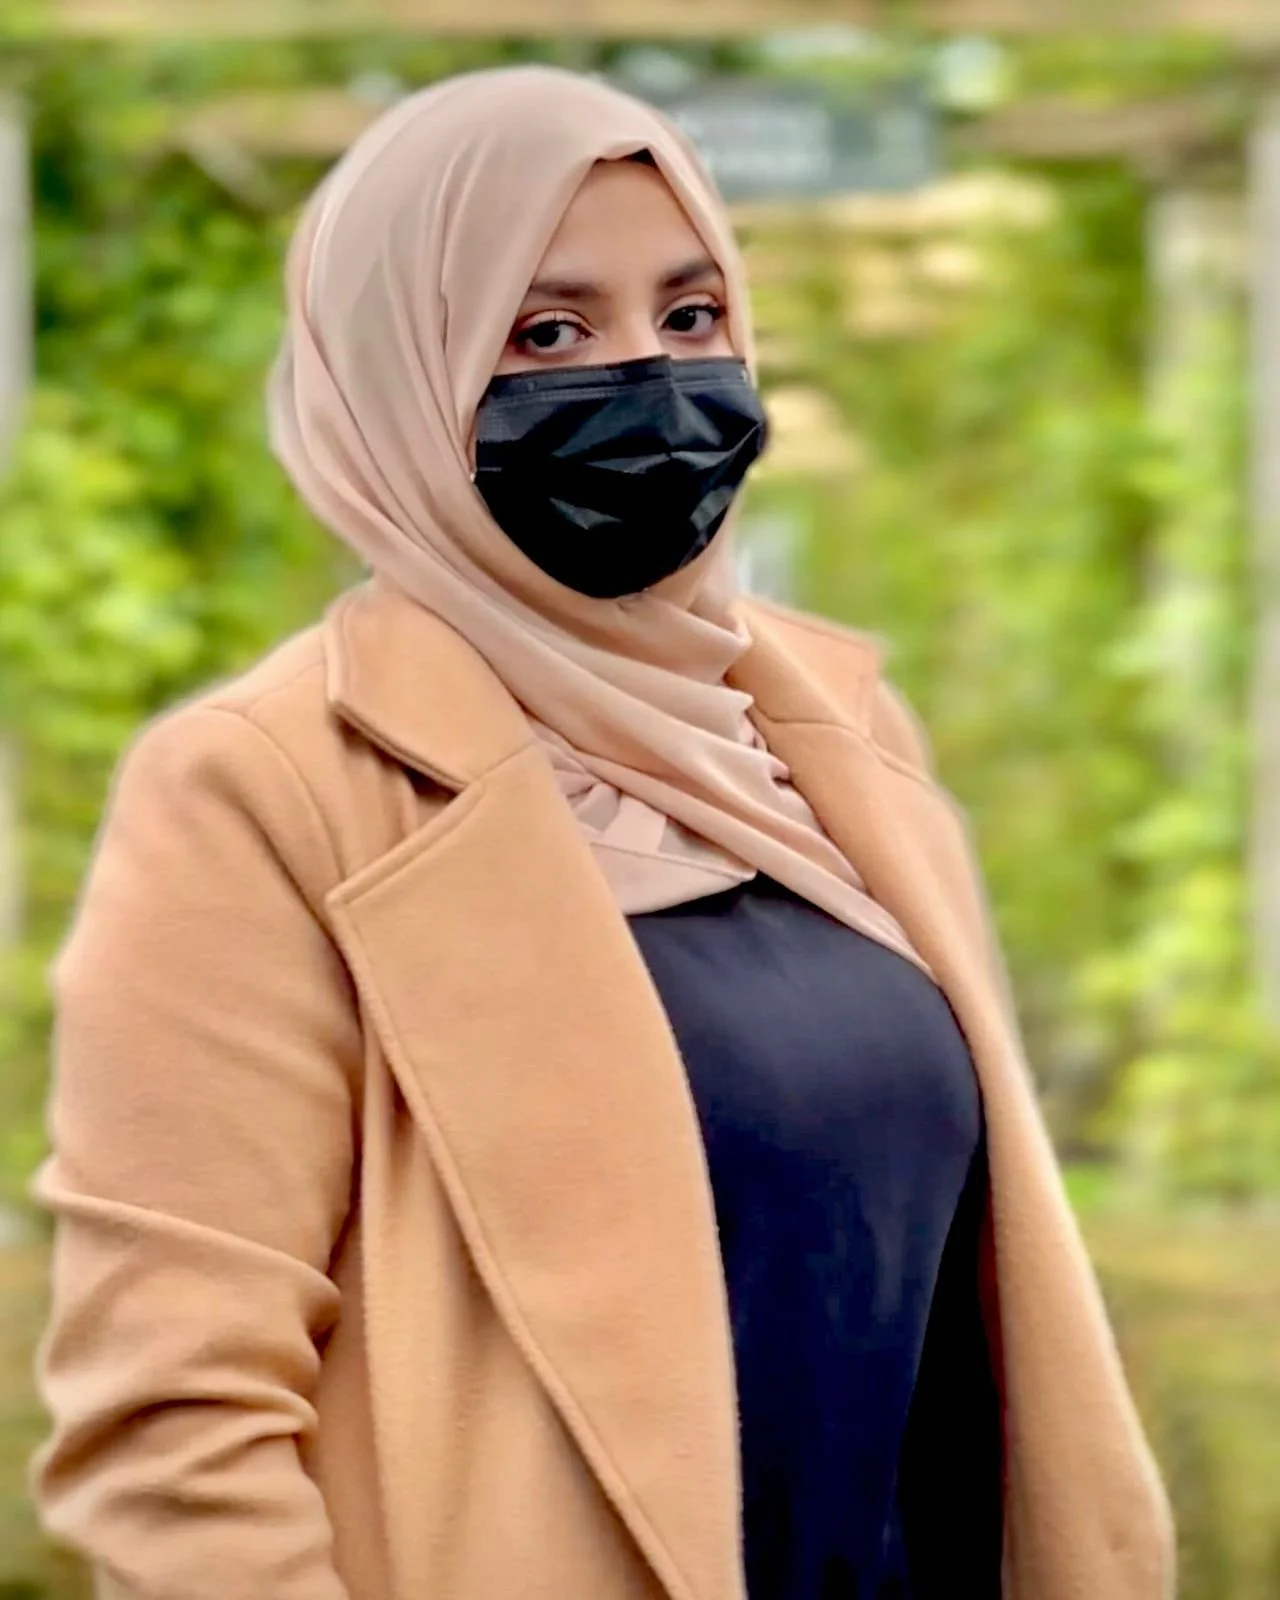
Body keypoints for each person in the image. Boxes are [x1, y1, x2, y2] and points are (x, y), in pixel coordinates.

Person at [31, 65, 1172, 1600]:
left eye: (691, 317)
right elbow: (177, 1430)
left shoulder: (823, 745)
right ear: (398, 376)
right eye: (548, 333)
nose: (649, 380)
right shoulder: (265, 792)